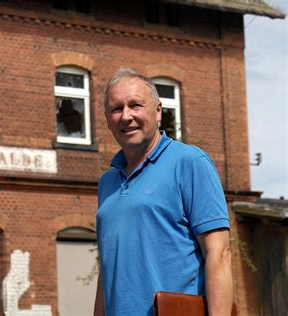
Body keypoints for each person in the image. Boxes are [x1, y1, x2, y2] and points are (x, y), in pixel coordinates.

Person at [94, 68, 233, 315]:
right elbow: (106, 270)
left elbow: (219, 253)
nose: (126, 116)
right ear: (107, 119)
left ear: (158, 111)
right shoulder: (107, 182)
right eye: (116, 109)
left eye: (136, 105)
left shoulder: (189, 162)